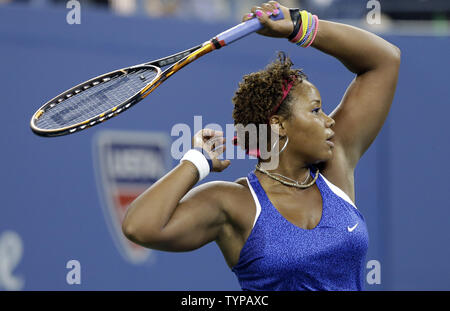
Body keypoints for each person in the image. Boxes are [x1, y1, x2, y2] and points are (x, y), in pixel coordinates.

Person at [122, 1, 400, 290]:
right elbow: (139, 226)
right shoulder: (234, 203)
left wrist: (297, 24)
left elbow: (384, 61)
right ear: (279, 124)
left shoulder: (335, 169)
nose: (329, 121)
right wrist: (197, 162)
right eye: (316, 110)